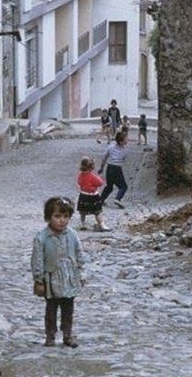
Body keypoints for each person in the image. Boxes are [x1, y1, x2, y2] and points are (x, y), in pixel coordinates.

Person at [32, 197, 88, 347]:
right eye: (57, 216)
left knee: (68, 307)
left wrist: (81, 272)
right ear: (48, 217)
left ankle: (67, 334)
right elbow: (37, 259)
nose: (61, 220)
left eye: (65, 217)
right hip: (51, 278)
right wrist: (38, 280)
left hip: (69, 276)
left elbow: (79, 253)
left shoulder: (72, 235)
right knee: (51, 307)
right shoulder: (42, 237)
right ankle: (50, 335)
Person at [76, 156, 111, 232]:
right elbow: (100, 183)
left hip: (83, 195)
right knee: (97, 211)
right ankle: (102, 224)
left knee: (83, 211)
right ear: (92, 167)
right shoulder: (92, 176)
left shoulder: (80, 175)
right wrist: (98, 178)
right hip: (93, 196)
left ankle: (83, 223)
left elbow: (79, 183)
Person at [98, 130, 130, 209]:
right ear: (121, 142)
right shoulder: (124, 151)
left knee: (109, 186)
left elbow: (104, 157)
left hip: (109, 168)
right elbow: (123, 160)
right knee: (123, 186)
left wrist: (101, 168)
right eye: (126, 139)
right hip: (117, 169)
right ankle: (117, 199)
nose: (127, 140)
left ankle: (101, 200)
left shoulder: (111, 147)